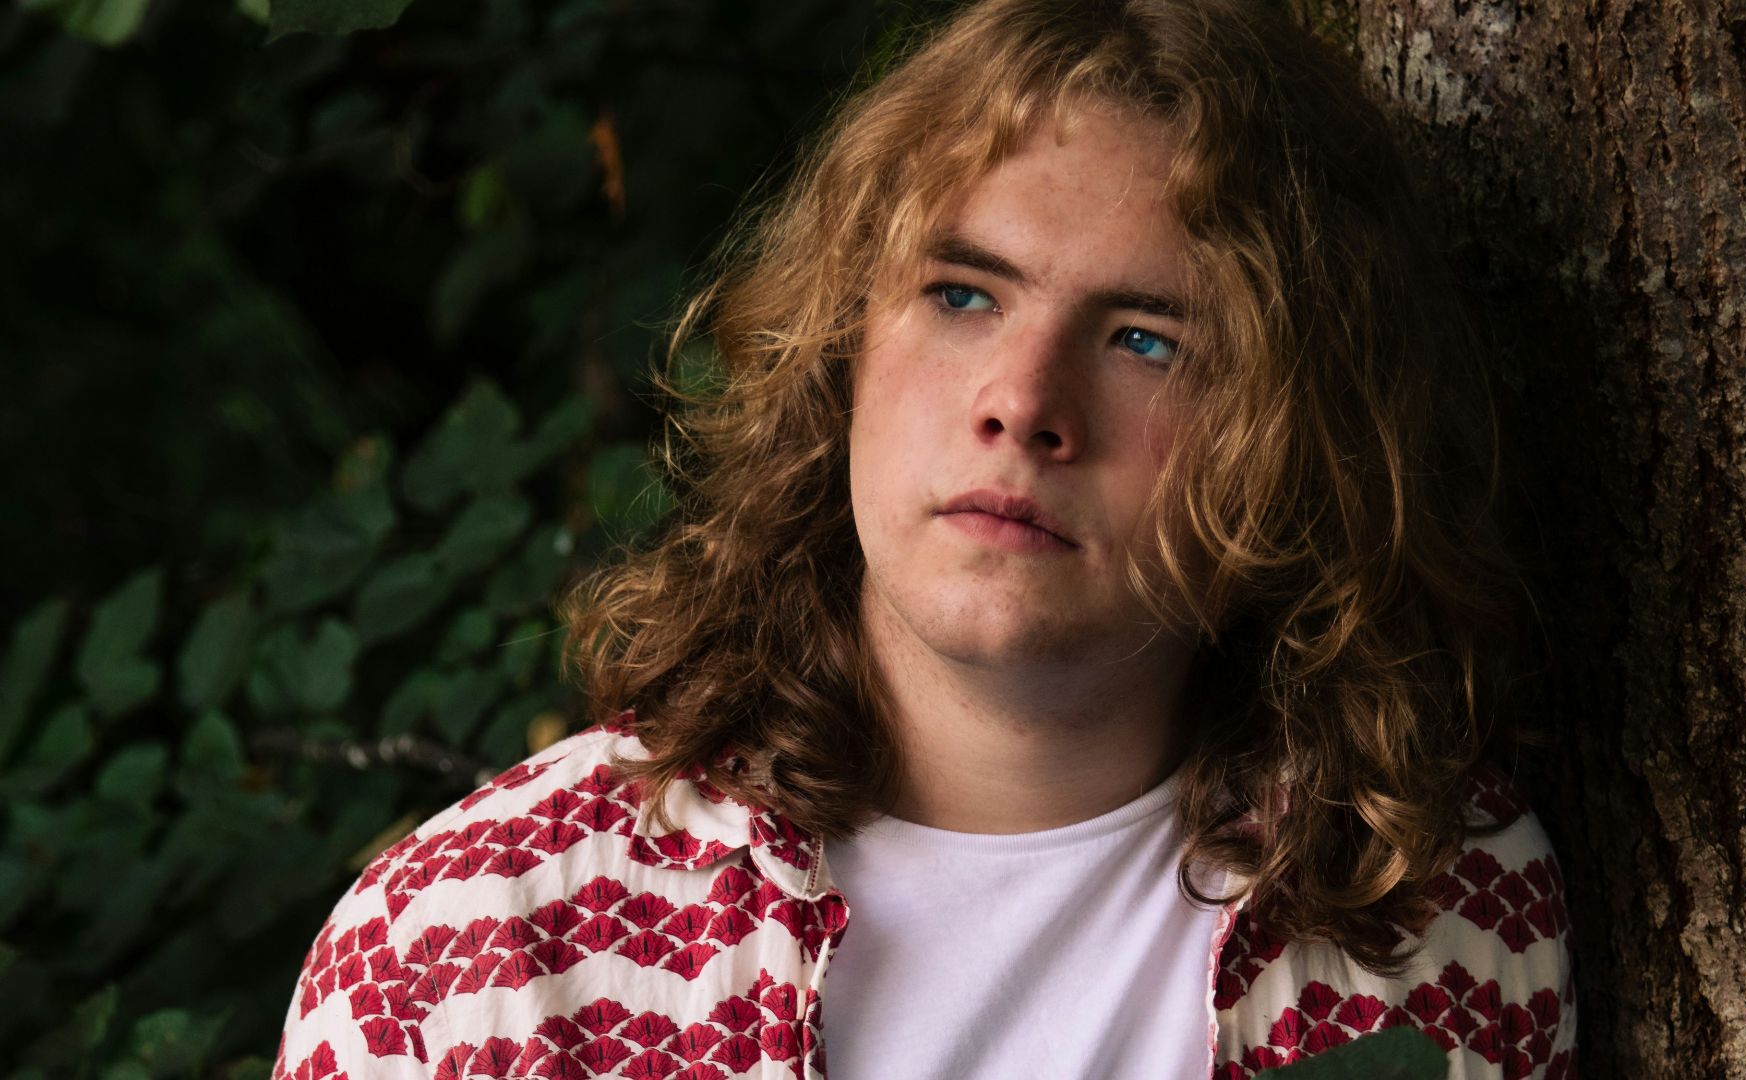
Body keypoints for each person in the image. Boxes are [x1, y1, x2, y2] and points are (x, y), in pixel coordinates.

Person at [271, 0, 1576, 1077]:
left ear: (1305, 433)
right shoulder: (476, 950)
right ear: (842, 347)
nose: (1022, 401)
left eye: (1146, 339)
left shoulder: (1439, 918)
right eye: (962, 294)